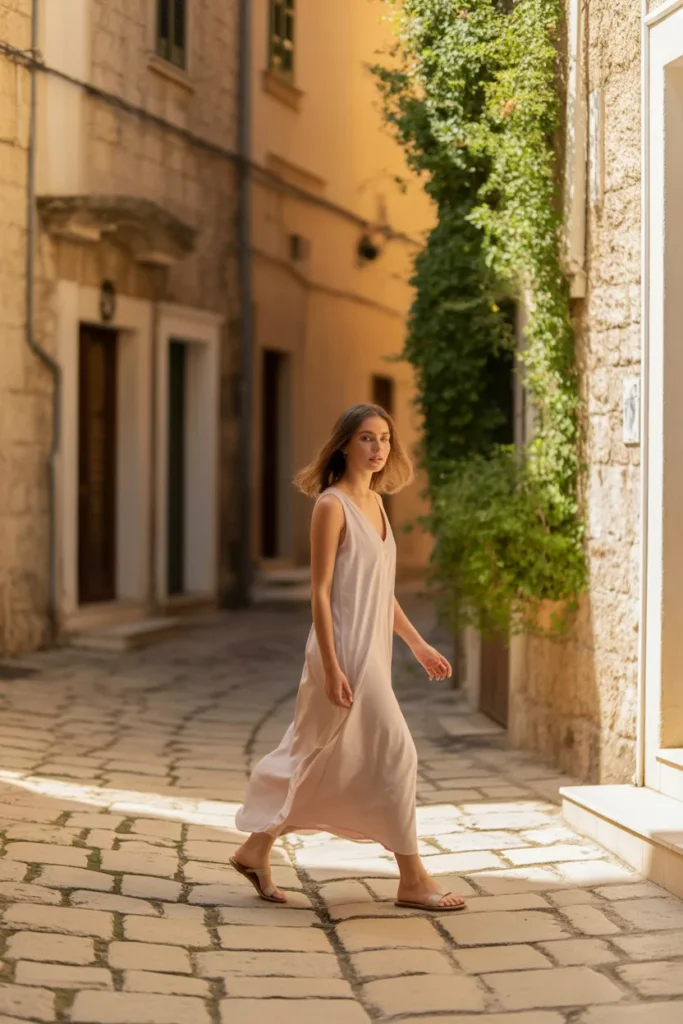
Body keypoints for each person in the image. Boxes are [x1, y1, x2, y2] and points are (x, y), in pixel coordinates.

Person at [232, 404, 466, 911]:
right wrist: (333, 665)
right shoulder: (331, 506)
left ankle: (256, 848)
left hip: (373, 653)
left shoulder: (378, 504)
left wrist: (417, 643)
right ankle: (413, 878)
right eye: (366, 438)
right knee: (397, 752)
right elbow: (319, 592)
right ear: (344, 444)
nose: (378, 448)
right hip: (341, 654)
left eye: (384, 438)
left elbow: (381, 592)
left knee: (321, 755)